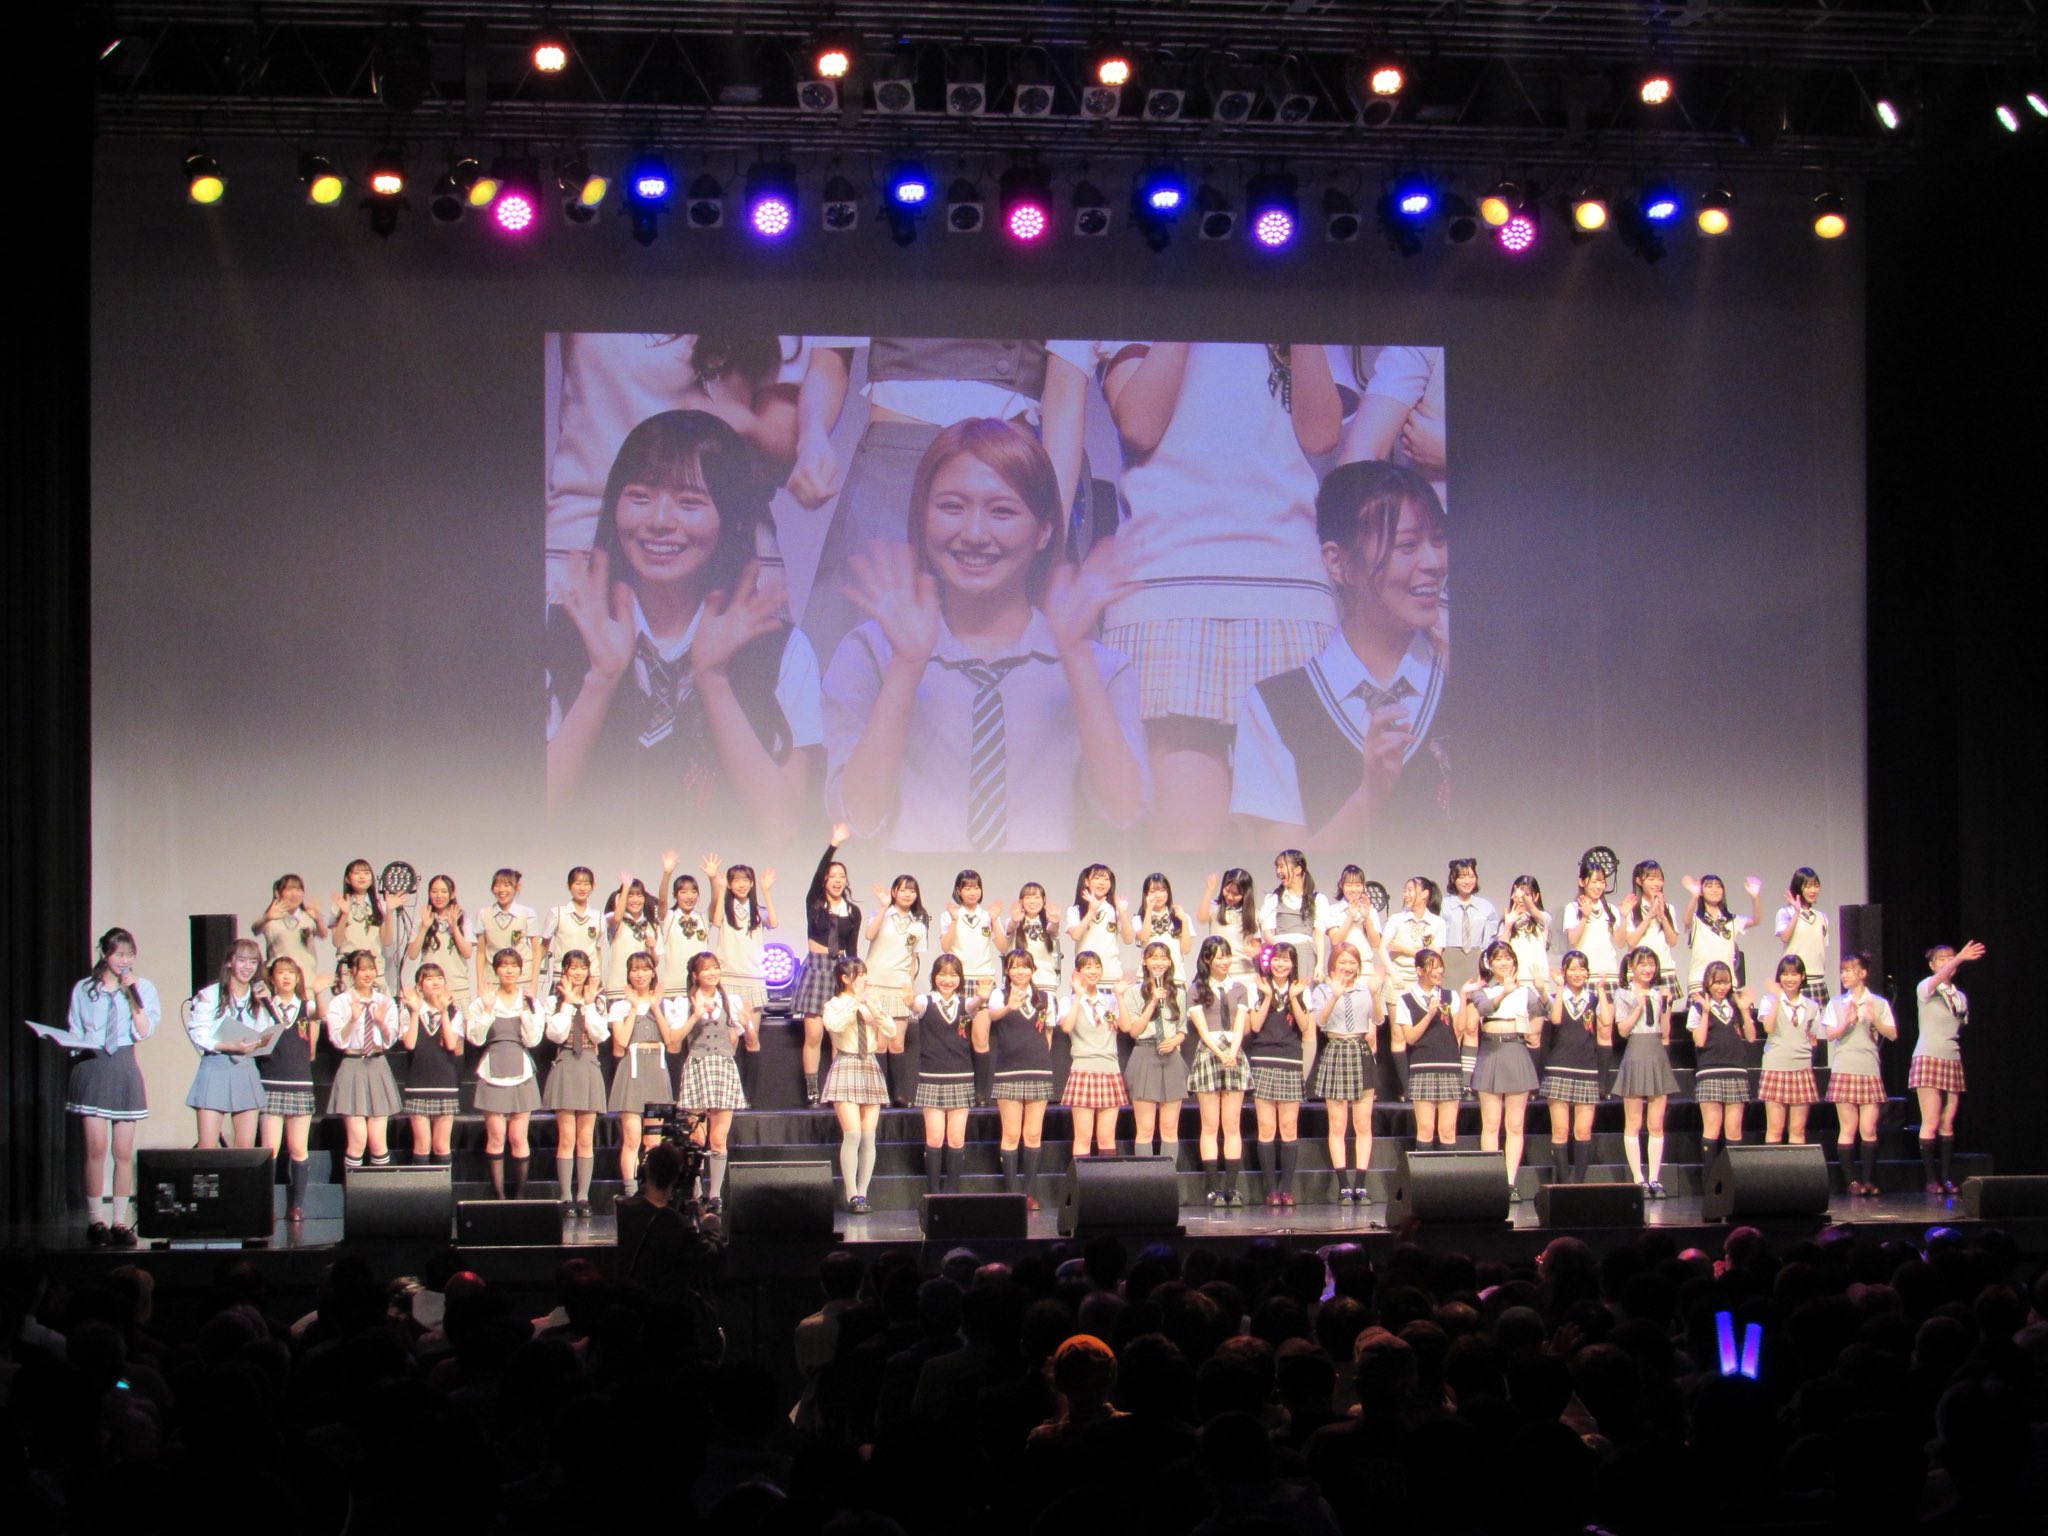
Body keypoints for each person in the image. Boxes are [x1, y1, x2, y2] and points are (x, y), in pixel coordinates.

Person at [823, 417, 1148, 852]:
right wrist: (906, 666)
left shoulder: (1103, 668)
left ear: (1044, 530)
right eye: (952, 507)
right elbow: (856, 818)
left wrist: (1076, 659)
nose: (974, 534)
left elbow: (1124, 812)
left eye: (1002, 512)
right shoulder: (870, 651)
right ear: (922, 516)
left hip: (1043, 892)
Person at [1096, 339, 1343, 847]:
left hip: (1287, 588)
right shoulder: (1138, 313)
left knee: (1289, 865)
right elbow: (1139, 422)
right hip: (1169, 592)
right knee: (1189, 852)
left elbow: (1321, 433)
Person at [546, 408, 823, 832]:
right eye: (640, 497)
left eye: (689, 502)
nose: (659, 522)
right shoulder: (558, 632)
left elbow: (780, 829)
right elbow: (524, 819)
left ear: (731, 518)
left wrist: (714, 679)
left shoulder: (784, 650)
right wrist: (600, 680)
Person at [791, 337, 1092, 668]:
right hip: (892, 465)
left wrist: (1051, 533)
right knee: (859, 659)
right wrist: (812, 436)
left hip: (1004, 471)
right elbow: (828, 363)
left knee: (1007, 666)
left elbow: (1065, 391)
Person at [1229, 460, 1447, 848]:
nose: (1434, 562)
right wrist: (1370, 796)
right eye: (1408, 545)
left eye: (1440, 540)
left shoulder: (1464, 682)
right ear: (1339, 562)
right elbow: (1280, 878)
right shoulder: (1278, 707)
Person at [61, 928, 158, 1246]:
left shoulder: (143, 988)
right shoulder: (85, 989)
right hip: (93, 1065)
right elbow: (75, 1028)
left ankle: (119, 1221)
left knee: (123, 1151)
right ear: (104, 954)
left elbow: (144, 1031)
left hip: (124, 1066)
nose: (125, 960)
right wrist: (67, 1042)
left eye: (130, 955)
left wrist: (133, 997)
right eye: (119, 954)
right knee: (96, 1148)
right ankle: (95, 1220)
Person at [975, 949, 1056, 1210]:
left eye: (1025, 966)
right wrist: (1009, 1006)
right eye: (1015, 967)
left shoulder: (1045, 998)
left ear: (1033, 970)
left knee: (1033, 1133)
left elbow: (1049, 1033)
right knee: (1011, 1133)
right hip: (1008, 1069)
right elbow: (992, 1015)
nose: (1020, 971)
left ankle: (1029, 1193)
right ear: (1008, 971)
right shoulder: (999, 995)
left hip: (1038, 1069)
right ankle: (1012, 1194)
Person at [677, 952, 758, 1211]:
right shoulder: (684, 1002)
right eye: (706, 969)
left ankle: (715, 1194)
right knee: (696, 1138)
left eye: (715, 967)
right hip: (698, 1065)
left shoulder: (729, 1001)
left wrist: (747, 1024)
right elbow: (674, 1040)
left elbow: (752, 1043)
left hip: (723, 1067)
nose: (712, 973)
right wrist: (695, 1015)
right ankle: (695, 1191)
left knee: (719, 1138)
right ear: (695, 975)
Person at [1464, 941, 1544, 1199]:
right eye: (1498, 958)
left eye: (1508, 958)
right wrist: (1503, 993)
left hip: (1516, 1051)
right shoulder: (1482, 990)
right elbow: (1484, 1009)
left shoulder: (1525, 991)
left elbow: (1545, 1011)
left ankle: (1510, 1182)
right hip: (1490, 1053)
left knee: (1515, 1124)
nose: (1504, 962)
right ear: (1489, 963)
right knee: (1490, 1123)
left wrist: (1543, 990)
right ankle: (1493, 1179)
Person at [614, 1142, 727, 1325]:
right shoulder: (675, 1223)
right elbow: (710, 1257)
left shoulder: (625, 1210)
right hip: (666, 1320)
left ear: (643, 1173)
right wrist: (711, 1225)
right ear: (676, 1178)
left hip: (632, 1316)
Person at [466, 947, 546, 1199]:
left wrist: (527, 1012)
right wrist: (488, 1010)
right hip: (493, 1071)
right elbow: (476, 1038)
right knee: (497, 1137)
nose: (509, 970)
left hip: (521, 1073)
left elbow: (534, 1040)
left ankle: (520, 1196)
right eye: (503, 965)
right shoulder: (483, 1001)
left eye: (513, 965)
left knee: (518, 1137)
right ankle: (499, 1198)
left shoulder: (530, 1001)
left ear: (520, 970)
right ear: (496, 970)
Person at [821, 958, 895, 1213]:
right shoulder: (834, 1004)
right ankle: (851, 1193)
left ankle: (863, 1193)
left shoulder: (871, 1002)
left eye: (864, 973)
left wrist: (873, 1007)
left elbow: (891, 1030)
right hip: (847, 1063)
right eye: (858, 974)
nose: (863, 978)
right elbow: (833, 1025)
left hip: (869, 1065)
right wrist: (855, 1002)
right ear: (845, 978)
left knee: (868, 1136)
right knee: (852, 1134)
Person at [1912, 940, 1986, 1197]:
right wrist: (1960, 957)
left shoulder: (1960, 997)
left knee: (1947, 1123)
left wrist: (1958, 959)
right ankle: (1931, 1179)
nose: (1947, 962)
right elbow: (1938, 979)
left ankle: (1946, 1177)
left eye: (1950, 957)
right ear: (1932, 965)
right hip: (1928, 1057)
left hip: (1952, 1058)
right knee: (1931, 1120)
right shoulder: (1926, 987)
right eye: (1941, 959)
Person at [608, 951, 685, 1195]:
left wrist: (654, 1006)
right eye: (634, 970)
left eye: (644, 969)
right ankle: (631, 1192)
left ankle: (652, 1189)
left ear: (653, 972)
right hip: (632, 1072)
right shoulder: (620, 1006)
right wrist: (634, 1007)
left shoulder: (665, 1004)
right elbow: (621, 1042)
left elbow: (670, 1041)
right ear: (628, 974)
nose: (640, 974)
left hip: (657, 1073)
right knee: (632, 1138)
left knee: (653, 1140)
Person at [794, 830, 861, 1107]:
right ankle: (812, 1090)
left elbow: (853, 949)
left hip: (840, 970)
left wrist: (855, 980)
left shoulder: (852, 911)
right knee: (814, 1034)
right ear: (824, 880)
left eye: (841, 876)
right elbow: (817, 873)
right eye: (832, 876)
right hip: (816, 969)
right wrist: (833, 844)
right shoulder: (815, 904)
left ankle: (836, 1089)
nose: (837, 880)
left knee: (838, 1035)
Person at [185, 938, 273, 1149]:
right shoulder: (210, 995)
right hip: (216, 1066)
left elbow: (265, 1032)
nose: (247, 967)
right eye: (242, 960)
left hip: (246, 1067)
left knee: (245, 1149)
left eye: (253, 961)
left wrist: (266, 1003)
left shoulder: (258, 997)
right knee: (208, 1148)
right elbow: (199, 1034)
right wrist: (228, 1046)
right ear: (229, 962)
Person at [1823, 951, 1898, 1196]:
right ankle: (1852, 1182)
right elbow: (1830, 1035)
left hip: (1869, 1069)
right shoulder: (1836, 1003)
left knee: (1869, 1129)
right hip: (1845, 1068)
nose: (1843, 975)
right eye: (1842, 971)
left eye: (1848, 970)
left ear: (1863, 973)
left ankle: (1869, 1181)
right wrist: (1847, 1022)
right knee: (1848, 1128)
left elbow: (1893, 1034)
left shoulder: (1879, 1003)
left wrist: (1874, 1020)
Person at [1247, 942, 1316, 1206]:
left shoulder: (1301, 989)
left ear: (1293, 964)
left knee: (1288, 1128)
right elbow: (1255, 1025)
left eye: (1286, 960)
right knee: (1266, 1128)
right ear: (1269, 962)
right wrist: (1267, 997)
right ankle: (1271, 1191)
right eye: (1276, 959)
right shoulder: (1258, 987)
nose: (1280, 964)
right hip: (1263, 1060)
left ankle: (1286, 1189)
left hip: (1289, 1060)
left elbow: (1305, 1025)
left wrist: (1295, 997)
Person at [1309, 942, 1378, 1204]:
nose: (1348, 967)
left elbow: (1379, 1019)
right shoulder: (1322, 990)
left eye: (1352, 962)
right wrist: (1335, 996)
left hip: (1360, 1051)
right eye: (1343, 962)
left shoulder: (1365, 989)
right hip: (1336, 1050)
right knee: (1338, 1125)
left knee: (1363, 1124)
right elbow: (1321, 1021)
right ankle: (1343, 1186)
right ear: (1333, 964)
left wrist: (1376, 995)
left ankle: (1361, 1183)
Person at [322, 949, 403, 1173]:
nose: (368, 974)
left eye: (371, 969)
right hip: (352, 1065)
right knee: (357, 1141)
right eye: (363, 969)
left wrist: (381, 1022)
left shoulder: (384, 1001)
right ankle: (354, 1190)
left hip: (377, 1064)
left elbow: (390, 1040)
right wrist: (353, 1020)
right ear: (352, 972)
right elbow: (338, 1040)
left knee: (378, 1142)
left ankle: (378, 1191)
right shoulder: (340, 1002)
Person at [543, 950, 609, 1217]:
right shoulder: (554, 1000)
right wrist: (568, 1004)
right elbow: (555, 1034)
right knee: (567, 1137)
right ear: (565, 971)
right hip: (566, 1064)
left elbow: (600, 1035)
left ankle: (583, 1196)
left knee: (585, 1138)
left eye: (583, 968)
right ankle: (565, 1196)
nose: (578, 972)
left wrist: (589, 1005)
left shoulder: (598, 1000)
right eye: (573, 967)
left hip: (589, 1064)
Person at [1613, 946, 1681, 1198]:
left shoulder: (1659, 993)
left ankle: (1654, 1178)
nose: (1648, 969)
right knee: (1633, 1122)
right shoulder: (1623, 993)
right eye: (1643, 964)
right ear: (1632, 967)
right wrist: (1638, 1007)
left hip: (1656, 1053)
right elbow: (1622, 1030)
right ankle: (1638, 1179)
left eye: (1651, 964)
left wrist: (1667, 1006)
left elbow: (1665, 1031)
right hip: (1635, 1052)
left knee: (1656, 1123)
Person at [1187, 935, 1251, 1207]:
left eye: (1228, 955)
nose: (1225, 961)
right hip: (1210, 1051)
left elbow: (1240, 1024)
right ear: (1207, 959)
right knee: (1210, 1124)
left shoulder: (1240, 988)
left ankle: (1232, 1189)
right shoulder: (1196, 989)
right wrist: (1220, 1052)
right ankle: (1214, 1189)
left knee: (1232, 1124)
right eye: (1219, 956)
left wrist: (1233, 1052)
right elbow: (1201, 1029)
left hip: (1233, 1052)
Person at [256, 956, 321, 1221]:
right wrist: (262, 1002)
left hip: (300, 1082)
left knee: (298, 1148)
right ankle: (267, 1205)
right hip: (271, 1081)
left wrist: (319, 992)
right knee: (270, 1148)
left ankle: (296, 1206)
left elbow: (319, 1019)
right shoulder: (264, 1006)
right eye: (281, 972)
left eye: (291, 973)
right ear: (272, 978)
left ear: (297, 978)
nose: (286, 977)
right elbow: (259, 1042)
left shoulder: (306, 1006)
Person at [911, 955, 978, 1196]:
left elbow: (975, 1004)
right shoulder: (926, 1001)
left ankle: (952, 1193)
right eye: (942, 974)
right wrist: (908, 997)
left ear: (960, 978)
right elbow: (915, 1005)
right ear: (934, 976)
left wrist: (983, 996)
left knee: (957, 1139)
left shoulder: (965, 1004)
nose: (947, 980)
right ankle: (933, 1194)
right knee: (935, 1138)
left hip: (961, 1075)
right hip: (931, 1076)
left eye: (953, 975)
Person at [1541, 950, 1609, 1185]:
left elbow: (1607, 1021)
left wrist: (1601, 990)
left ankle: (1578, 1184)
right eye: (1573, 968)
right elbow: (1556, 1019)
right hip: (1559, 1069)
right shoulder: (1556, 997)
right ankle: (1564, 1185)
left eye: (1582, 968)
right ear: (1564, 971)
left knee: (1583, 1131)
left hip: (1586, 1070)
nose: (1578, 973)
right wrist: (1559, 987)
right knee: (1560, 1131)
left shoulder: (1593, 999)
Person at [1123, 940, 1191, 1163]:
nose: (1159, 962)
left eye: (1163, 958)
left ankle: (1168, 1178)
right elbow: (1134, 1031)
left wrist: (1175, 1040)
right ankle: (1146, 1178)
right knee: (1145, 1128)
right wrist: (1152, 1002)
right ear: (1145, 961)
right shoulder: (1134, 993)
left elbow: (1182, 1029)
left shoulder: (1179, 993)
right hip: (1144, 1054)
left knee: (1170, 1128)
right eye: (1154, 957)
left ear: (1170, 962)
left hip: (1171, 1057)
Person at [866, 874, 930, 1105]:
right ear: (894, 892)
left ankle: (899, 1094)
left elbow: (913, 959)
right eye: (903, 889)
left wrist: (909, 985)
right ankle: (880, 1093)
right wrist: (884, 907)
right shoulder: (880, 915)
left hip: (900, 986)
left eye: (912, 891)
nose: (907, 894)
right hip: (876, 984)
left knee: (897, 1043)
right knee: (880, 1043)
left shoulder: (918, 925)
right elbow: (869, 935)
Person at [1687, 961, 1758, 1171]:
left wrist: (1745, 1011)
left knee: (1734, 1130)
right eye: (1717, 982)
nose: (1721, 987)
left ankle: (1734, 1181)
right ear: (1708, 983)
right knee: (1712, 1129)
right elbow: (1699, 1041)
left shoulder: (1735, 1005)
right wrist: (1706, 1012)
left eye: (1725, 982)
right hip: (1710, 1071)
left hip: (1736, 1071)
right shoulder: (1698, 1007)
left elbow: (1751, 1037)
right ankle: (1710, 1181)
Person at [1059, 951, 1129, 1165]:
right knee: (1083, 1136)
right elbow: (1067, 1027)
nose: (1093, 971)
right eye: (1088, 967)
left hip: (1109, 1069)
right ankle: (1082, 1182)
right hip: (1083, 1069)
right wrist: (1078, 996)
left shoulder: (1109, 1000)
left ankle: (1106, 1182)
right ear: (1077, 972)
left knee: (1107, 1137)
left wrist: (1120, 997)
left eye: (1097, 966)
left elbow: (1126, 1027)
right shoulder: (1068, 1000)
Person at [397, 962, 464, 1169]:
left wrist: (443, 1012)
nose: (435, 982)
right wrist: (415, 1012)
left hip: (445, 1081)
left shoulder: (454, 1012)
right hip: (418, 1082)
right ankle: (422, 1188)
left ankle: (442, 1187)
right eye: (429, 978)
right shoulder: (409, 1011)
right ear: (420, 985)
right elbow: (410, 1043)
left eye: (439, 978)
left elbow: (451, 1044)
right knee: (422, 1145)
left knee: (442, 1146)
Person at [1395, 949, 1463, 1152]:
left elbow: (1460, 1030)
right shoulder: (1406, 999)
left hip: (1449, 1065)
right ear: (1419, 970)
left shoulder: (1450, 996)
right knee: (1425, 1129)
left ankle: (1447, 1171)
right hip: (1422, 1067)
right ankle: (1424, 1172)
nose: (1439, 971)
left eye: (1441, 967)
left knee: (1448, 1130)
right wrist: (1430, 1013)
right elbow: (1410, 1037)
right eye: (1434, 967)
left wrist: (1465, 995)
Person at [1757, 955, 1823, 1145]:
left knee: (1797, 1130)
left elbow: (1813, 1037)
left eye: (1794, 974)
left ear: (1802, 976)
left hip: (1801, 1068)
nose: (1789, 978)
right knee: (1775, 1129)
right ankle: (1773, 1166)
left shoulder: (1812, 1006)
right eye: (1785, 974)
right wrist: (1778, 999)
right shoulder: (1769, 1001)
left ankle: (1796, 1166)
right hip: (1775, 1067)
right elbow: (1768, 1027)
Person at [707, 859, 778, 1011]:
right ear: (729, 884)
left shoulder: (758, 910)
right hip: (728, 977)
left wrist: (766, 891)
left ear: (752, 883)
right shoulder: (725, 909)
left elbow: (774, 923)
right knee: (728, 1026)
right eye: (736, 881)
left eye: (746, 880)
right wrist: (721, 890)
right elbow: (717, 922)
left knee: (752, 1027)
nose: (741, 885)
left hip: (753, 978)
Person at [1681, 873, 1765, 992]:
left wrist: (1755, 897)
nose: (1714, 890)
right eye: (1709, 886)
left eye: (1718, 886)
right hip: (1700, 981)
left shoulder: (1732, 920)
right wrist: (1694, 897)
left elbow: (1756, 920)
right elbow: (1686, 920)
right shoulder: (1697, 919)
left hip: (1726, 983)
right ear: (1701, 892)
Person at [1259, 851, 1332, 983]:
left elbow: (1319, 936)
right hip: (1281, 957)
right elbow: (1267, 934)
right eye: (1277, 867)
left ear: (1298, 869)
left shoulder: (1317, 899)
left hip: (1305, 956)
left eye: (1282, 866)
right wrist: (1284, 949)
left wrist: (1320, 964)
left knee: (1305, 991)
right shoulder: (1273, 898)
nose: (1278, 871)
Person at [404, 875, 474, 1008]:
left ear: (452, 894)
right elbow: (412, 954)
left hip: (457, 988)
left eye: (443, 891)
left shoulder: (462, 920)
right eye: (434, 891)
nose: (439, 895)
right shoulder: (421, 920)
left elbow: (467, 953)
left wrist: (454, 927)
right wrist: (424, 927)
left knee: (458, 1022)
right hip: (430, 990)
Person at [252, 874, 327, 993]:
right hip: (278, 983)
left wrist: (318, 919)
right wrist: (266, 917)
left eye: (298, 889)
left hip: (306, 981)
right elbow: (255, 930)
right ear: (278, 893)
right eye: (289, 889)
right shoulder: (271, 919)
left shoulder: (307, 917)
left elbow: (323, 934)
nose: (294, 894)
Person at [328, 859, 394, 991]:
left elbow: (387, 941)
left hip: (373, 969)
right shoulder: (338, 906)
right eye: (356, 873)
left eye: (366, 873)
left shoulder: (380, 905)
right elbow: (336, 942)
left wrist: (390, 911)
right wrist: (345, 913)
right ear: (348, 879)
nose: (362, 876)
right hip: (348, 971)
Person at [474, 869, 541, 997]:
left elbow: (537, 951)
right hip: (493, 979)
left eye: (506, 885)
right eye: (497, 885)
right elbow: (480, 952)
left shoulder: (527, 913)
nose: (501, 890)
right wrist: (479, 985)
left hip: (522, 979)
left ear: (517, 887)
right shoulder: (484, 914)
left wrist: (533, 985)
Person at [655, 858, 715, 999]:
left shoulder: (703, 917)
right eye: (683, 892)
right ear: (675, 895)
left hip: (699, 986)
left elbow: (716, 901)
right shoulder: (669, 917)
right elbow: (662, 900)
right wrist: (667, 873)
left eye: (693, 892)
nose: (689, 896)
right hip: (673, 987)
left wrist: (712, 879)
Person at [1066, 865, 1133, 986]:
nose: (1102, 883)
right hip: (1086, 978)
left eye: (1106, 879)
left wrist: (1122, 912)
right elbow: (1076, 935)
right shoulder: (1075, 910)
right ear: (1087, 882)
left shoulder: (1114, 909)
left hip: (1112, 976)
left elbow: (1128, 939)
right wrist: (1091, 910)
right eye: (1097, 878)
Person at [544, 866, 607, 995]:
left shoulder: (599, 917)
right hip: (563, 977)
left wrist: (598, 977)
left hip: (590, 979)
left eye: (586, 884)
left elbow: (598, 950)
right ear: (569, 885)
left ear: (593, 886)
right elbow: (543, 947)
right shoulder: (558, 913)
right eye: (577, 883)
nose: (582, 888)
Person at [1775, 868, 1830, 1003]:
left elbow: (1821, 949)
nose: (1813, 890)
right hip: (1794, 981)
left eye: (1816, 886)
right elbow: (1785, 937)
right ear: (1799, 887)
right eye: (1808, 886)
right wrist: (1797, 912)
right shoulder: (1785, 913)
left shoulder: (1822, 917)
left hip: (1818, 981)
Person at [600, 874, 659, 999]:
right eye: (630, 896)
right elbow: (617, 917)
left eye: (639, 895)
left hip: (642, 990)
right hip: (617, 989)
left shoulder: (651, 925)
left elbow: (655, 962)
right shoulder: (614, 920)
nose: (635, 900)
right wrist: (625, 888)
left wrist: (652, 949)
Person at [1135, 873, 1196, 985]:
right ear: (1146, 894)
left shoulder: (1181, 917)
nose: (1158, 895)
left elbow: (1186, 950)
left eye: (1162, 890)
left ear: (1168, 892)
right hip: (1147, 980)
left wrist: (1184, 921)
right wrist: (1149, 910)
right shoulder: (1138, 919)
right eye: (1152, 891)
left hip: (1175, 979)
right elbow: (1144, 939)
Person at [1204, 867, 1263, 981]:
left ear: (1245, 894)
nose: (1230, 896)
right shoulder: (1215, 908)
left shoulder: (1253, 914)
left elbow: (1256, 946)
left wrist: (1256, 951)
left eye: (1236, 894)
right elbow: (1202, 917)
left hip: (1245, 973)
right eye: (1227, 890)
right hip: (1219, 971)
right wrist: (1209, 891)